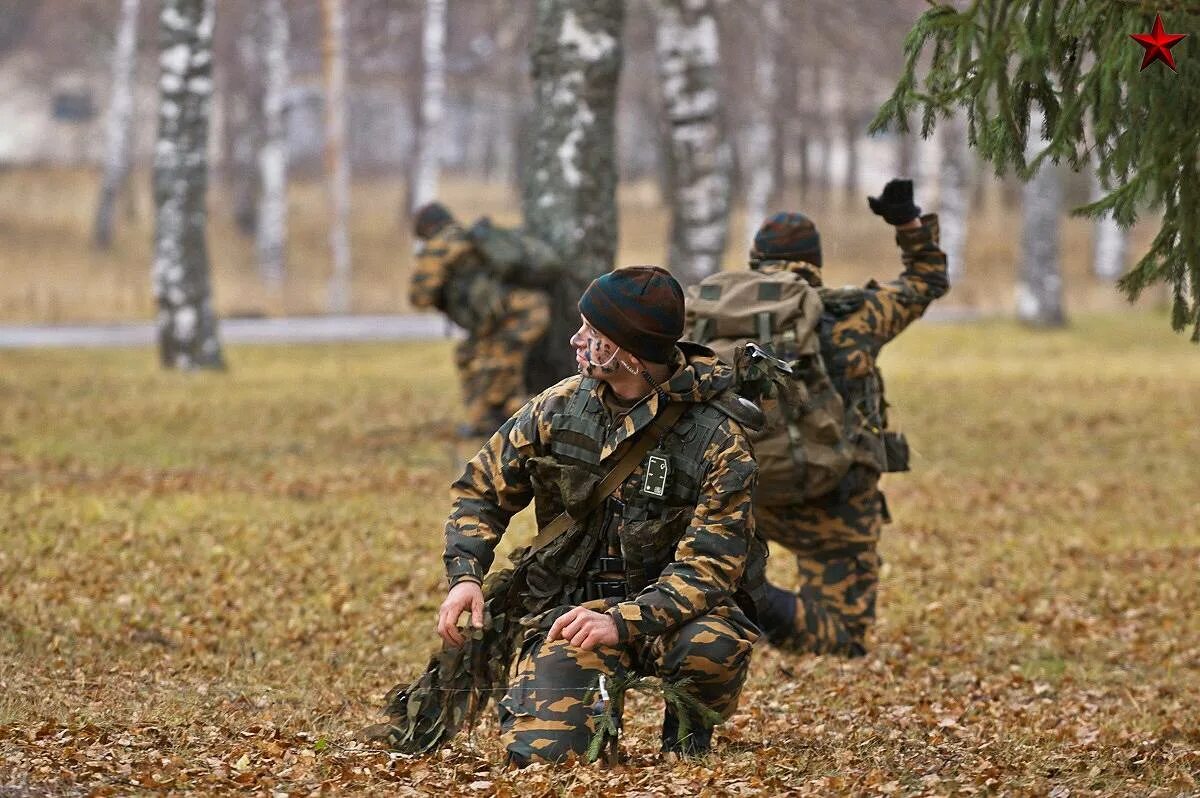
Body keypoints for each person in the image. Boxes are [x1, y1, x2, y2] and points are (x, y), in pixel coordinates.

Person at [436, 266, 765, 765]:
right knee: (548, 759)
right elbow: (483, 488)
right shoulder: (559, 407)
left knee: (711, 646)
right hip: (569, 615)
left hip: (672, 617)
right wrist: (466, 574)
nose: (576, 339)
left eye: (592, 332)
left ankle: (687, 740)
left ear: (629, 353)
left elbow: (711, 568)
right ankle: (586, 714)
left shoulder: (718, 438)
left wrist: (623, 620)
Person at [750, 179, 950, 657]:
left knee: (708, 579)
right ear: (815, 262)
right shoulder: (854, 315)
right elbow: (927, 281)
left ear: (755, 262)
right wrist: (907, 224)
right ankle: (757, 601)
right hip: (835, 497)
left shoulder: (718, 320)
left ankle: (734, 596)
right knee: (842, 635)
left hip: (745, 497)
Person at [410, 202, 551, 437]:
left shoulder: (439, 246)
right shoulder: (470, 238)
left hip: (514, 314)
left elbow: (419, 297)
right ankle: (489, 422)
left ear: (426, 228)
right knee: (475, 357)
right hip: (525, 309)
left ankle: (530, 424)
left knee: (497, 370)